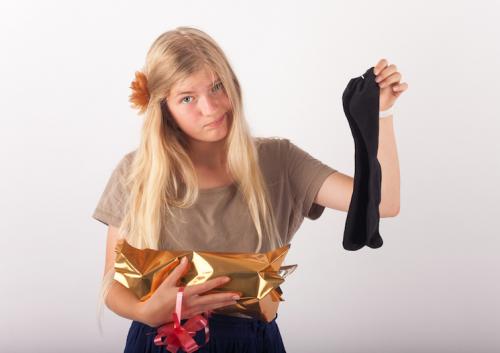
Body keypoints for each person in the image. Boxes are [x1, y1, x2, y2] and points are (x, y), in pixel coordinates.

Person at [92, 26, 403, 353]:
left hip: (251, 344)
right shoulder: (137, 173)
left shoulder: (279, 161)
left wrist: (379, 114)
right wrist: (145, 311)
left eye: (217, 86)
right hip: (161, 343)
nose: (210, 108)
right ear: (163, 107)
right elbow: (112, 284)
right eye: (187, 98)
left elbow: (383, 203)